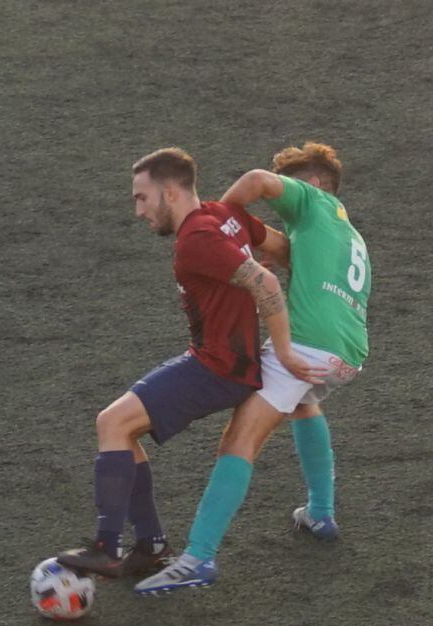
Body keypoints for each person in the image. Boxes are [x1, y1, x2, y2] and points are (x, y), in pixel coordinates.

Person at [57, 147, 321, 579]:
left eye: (142, 198)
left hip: (219, 366)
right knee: (125, 432)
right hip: (223, 361)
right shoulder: (224, 215)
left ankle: (107, 546)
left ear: (171, 192)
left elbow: (266, 280)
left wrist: (286, 349)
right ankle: (150, 544)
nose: (138, 211)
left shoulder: (197, 239)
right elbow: (285, 252)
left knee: (111, 423)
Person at [134, 142, 372, 595]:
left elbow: (256, 182)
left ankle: (198, 557)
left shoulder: (314, 200)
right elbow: (295, 262)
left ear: (316, 184)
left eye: (294, 188)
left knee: (238, 438)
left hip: (307, 345)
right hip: (347, 356)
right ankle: (320, 512)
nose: (283, 203)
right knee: (303, 406)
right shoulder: (348, 237)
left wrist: (219, 222)